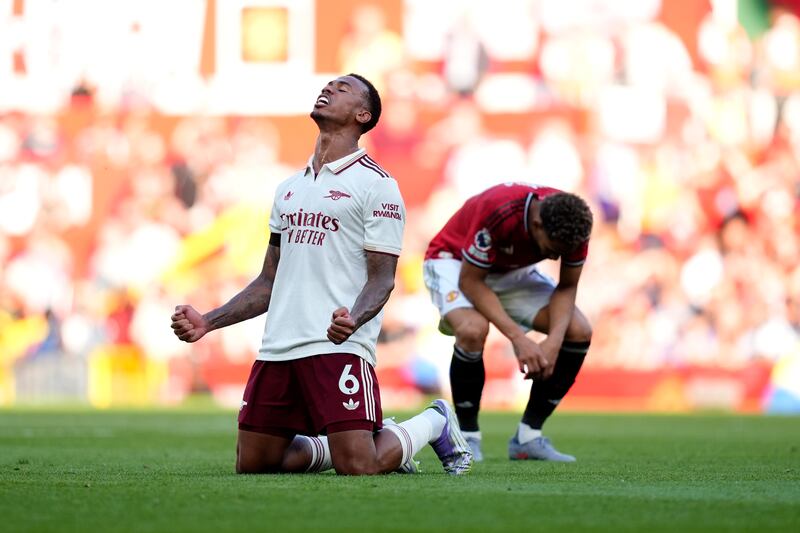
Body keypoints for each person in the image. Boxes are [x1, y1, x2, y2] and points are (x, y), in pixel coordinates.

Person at [170, 74, 471, 476]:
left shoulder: (377, 187)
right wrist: (208, 321)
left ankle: (434, 422)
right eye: (329, 85)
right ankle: (340, 445)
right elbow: (268, 282)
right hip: (280, 344)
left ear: (363, 115)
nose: (329, 89)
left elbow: (383, 279)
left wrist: (354, 319)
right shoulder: (289, 189)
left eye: (343, 88)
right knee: (256, 463)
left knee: (359, 465)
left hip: (337, 345)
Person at [423, 182, 594, 462]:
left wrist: (553, 342)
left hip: (509, 271)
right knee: (473, 329)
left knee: (578, 331)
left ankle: (528, 437)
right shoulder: (499, 210)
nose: (554, 256)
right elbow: (471, 280)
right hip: (454, 262)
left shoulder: (575, 225)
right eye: (552, 249)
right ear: (537, 224)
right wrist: (518, 338)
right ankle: (467, 438)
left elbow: (567, 287)